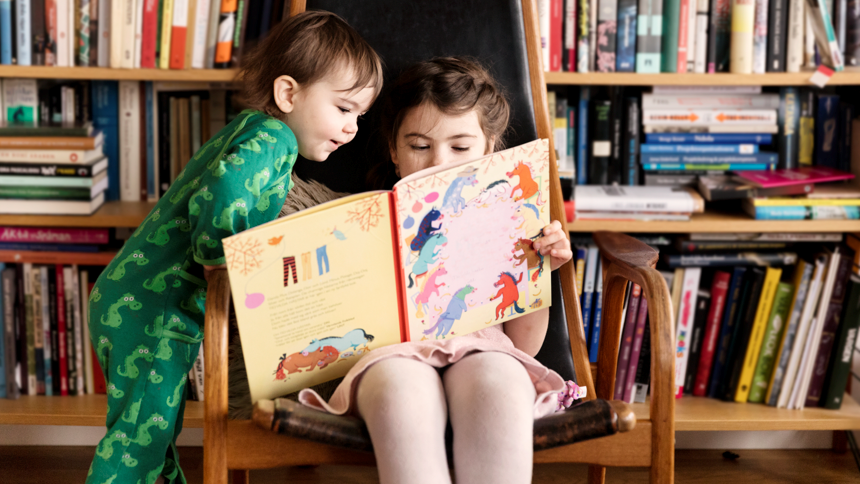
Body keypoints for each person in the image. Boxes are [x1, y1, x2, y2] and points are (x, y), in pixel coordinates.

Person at [85, 11, 382, 484]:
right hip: (152, 307)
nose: (352, 129)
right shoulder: (273, 137)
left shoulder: (251, 131)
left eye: (360, 117)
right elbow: (221, 192)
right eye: (344, 109)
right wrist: (224, 264)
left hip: (145, 302)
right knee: (138, 435)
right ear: (288, 93)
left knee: (155, 425)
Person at [296, 57, 574, 484]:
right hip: (387, 352)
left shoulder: (509, 217)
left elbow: (526, 346)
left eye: (460, 147)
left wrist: (542, 268)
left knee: (497, 384)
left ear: (489, 146)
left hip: (483, 349)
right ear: (394, 150)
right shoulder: (361, 221)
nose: (438, 162)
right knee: (401, 392)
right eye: (420, 146)